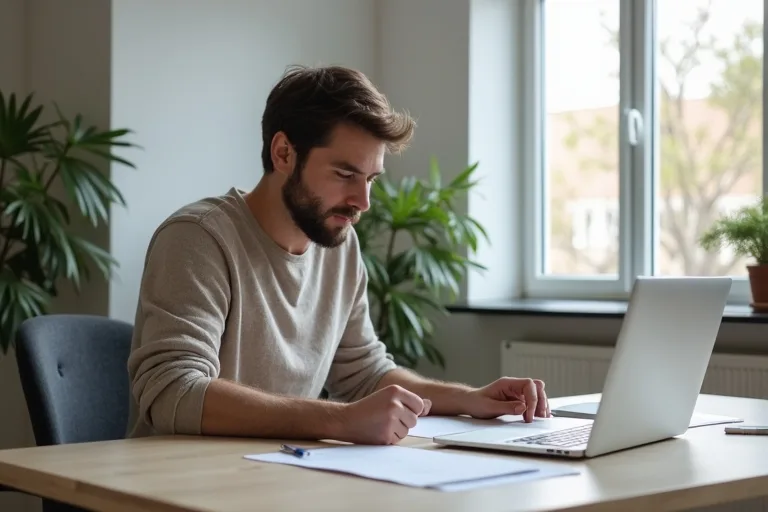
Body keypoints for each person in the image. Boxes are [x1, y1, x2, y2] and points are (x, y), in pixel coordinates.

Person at [126, 64, 549, 445]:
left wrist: (470, 399)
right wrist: (338, 421)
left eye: (371, 179)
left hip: (283, 476)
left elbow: (364, 374)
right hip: (181, 484)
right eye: (345, 174)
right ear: (283, 153)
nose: (362, 201)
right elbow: (172, 392)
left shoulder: (339, 244)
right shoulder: (198, 239)